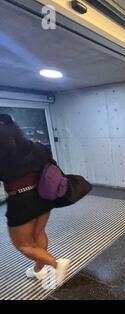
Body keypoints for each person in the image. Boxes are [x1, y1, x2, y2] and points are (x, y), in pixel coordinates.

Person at [0, 114, 70, 285]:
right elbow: (52, 165)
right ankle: (39, 270)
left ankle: (56, 264)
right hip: (44, 196)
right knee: (38, 233)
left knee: (22, 244)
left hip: (21, 201)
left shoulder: (4, 156)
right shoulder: (37, 147)